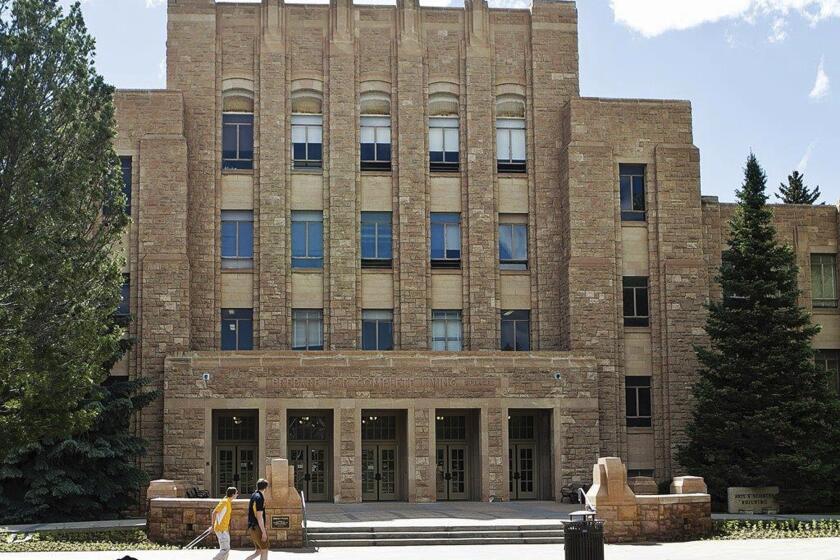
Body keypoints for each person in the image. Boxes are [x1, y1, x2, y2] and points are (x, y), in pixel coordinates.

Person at [210, 486, 237, 560]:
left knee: (226, 550)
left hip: (224, 529)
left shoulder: (228, 502)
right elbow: (214, 513)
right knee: (225, 549)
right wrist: (212, 526)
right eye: (236, 493)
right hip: (221, 529)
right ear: (233, 494)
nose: (237, 495)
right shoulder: (224, 502)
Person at [245, 478, 269, 560]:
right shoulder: (259, 498)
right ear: (266, 488)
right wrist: (264, 532)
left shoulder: (254, 495)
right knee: (264, 550)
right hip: (257, 527)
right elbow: (259, 517)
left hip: (252, 527)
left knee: (258, 551)